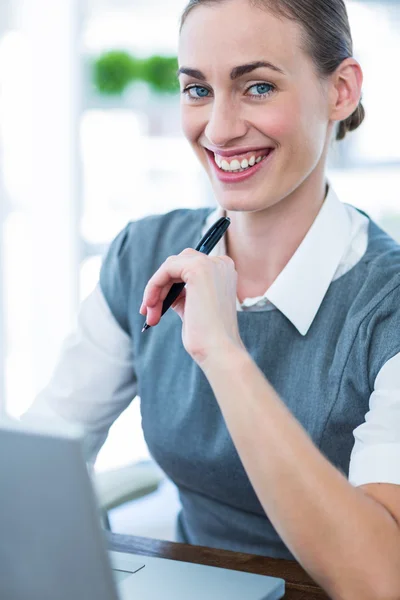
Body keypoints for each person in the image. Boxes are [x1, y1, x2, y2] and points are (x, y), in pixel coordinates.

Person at [24, 0, 400, 598]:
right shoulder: (143, 252)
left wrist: (223, 353)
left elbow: (378, 579)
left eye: (256, 86)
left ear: (341, 91)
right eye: (197, 90)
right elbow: (40, 458)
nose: (219, 129)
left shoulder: (387, 307)